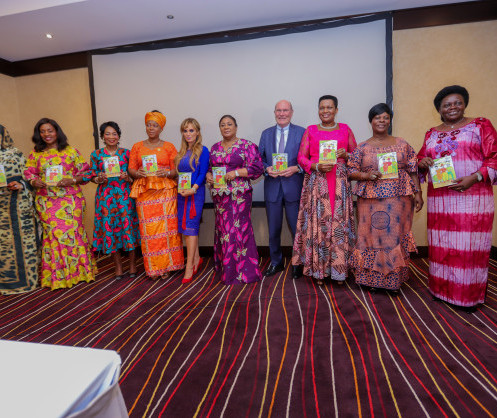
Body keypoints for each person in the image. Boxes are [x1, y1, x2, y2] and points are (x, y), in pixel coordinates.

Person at [418, 85, 497, 310]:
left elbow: (494, 157)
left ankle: (466, 297)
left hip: (472, 198)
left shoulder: (480, 125)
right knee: (441, 244)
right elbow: (421, 159)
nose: (452, 107)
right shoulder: (431, 133)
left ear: (464, 104)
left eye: (457, 103)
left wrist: (475, 177)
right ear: (439, 109)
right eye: (447, 105)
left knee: (467, 246)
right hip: (439, 201)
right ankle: (440, 291)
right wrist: (422, 162)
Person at [348, 103, 423, 293]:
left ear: (390, 120)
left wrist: (418, 193)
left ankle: (392, 281)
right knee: (370, 237)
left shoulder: (402, 144)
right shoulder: (362, 147)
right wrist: (366, 175)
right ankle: (370, 279)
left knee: (393, 237)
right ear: (371, 121)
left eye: (385, 117)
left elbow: (413, 169)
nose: (381, 121)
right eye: (377, 117)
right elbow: (350, 171)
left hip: (398, 199)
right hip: (370, 200)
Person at [291, 95, 357, 285]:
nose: (325, 111)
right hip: (318, 182)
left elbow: (357, 155)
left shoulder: (345, 129)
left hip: (339, 183)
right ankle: (319, 270)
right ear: (318, 110)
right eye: (322, 108)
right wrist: (316, 166)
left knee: (338, 224)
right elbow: (301, 157)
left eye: (329, 107)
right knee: (319, 224)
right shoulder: (311, 130)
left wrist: (347, 155)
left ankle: (339, 270)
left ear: (336, 110)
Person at [24, 118, 96, 290]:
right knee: (54, 236)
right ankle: (58, 277)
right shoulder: (35, 154)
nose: (46, 134)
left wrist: (72, 180)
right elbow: (29, 173)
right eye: (42, 131)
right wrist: (34, 182)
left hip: (71, 200)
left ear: (57, 132)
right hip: (46, 202)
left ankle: (80, 273)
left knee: (73, 234)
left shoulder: (71, 151)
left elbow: (87, 173)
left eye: (50, 130)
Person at [206, 115, 264, 285]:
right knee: (224, 231)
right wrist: (209, 175)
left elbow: (257, 168)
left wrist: (236, 173)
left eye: (229, 124)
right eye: (223, 125)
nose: (226, 127)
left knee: (237, 230)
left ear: (236, 127)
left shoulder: (247, 146)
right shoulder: (215, 147)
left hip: (239, 197)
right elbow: (210, 168)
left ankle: (243, 271)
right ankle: (227, 268)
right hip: (220, 197)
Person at [128, 110, 184, 279]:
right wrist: (137, 173)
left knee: (168, 230)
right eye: (149, 125)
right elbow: (131, 169)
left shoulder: (169, 147)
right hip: (145, 192)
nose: (151, 128)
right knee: (149, 231)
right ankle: (154, 268)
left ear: (161, 128)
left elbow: (176, 170)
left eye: (155, 125)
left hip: (165, 192)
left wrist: (166, 173)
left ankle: (168, 266)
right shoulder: (137, 146)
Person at [83, 121, 139, 280]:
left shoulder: (127, 153)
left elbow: (135, 177)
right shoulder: (96, 155)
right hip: (105, 197)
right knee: (110, 230)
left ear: (119, 136)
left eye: (114, 133)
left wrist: (127, 177)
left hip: (124, 196)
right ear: (102, 136)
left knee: (128, 228)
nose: (111, 137)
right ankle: (118, 266)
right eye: (107, 134)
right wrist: (98, 178)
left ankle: (133, 265)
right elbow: (91, 176)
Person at [259, 100, 305, 279]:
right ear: (274, 112)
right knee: (273, 228)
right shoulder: (266, 133)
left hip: (294, 186)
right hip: (273, 186)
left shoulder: (302, 132)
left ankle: (297, 263)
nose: (282, 113)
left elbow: (308, 157)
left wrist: (297, 168)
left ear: (291, 112)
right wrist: (266, 168)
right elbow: (259, 159)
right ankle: (276, 262)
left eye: (285, 110)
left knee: (297, 228)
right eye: (279, 110)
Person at [0, 124, 39, 294]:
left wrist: (21, 185)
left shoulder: (15, 154)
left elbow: (30, 177)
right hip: (1, 212)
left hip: (19, 207)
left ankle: (28, 282)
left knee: (23, 244)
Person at [175, 118, 209, 284]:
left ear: (197, 132)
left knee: (191, 228)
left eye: (191, 130)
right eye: (185, 130)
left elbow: (202, 173)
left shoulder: (203, 150)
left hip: (195, 194)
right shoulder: (181, 152)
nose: (188, 133)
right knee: (184, 228)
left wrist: (193, 189)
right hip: (182, 194)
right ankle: (196, 258)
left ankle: (189, 267)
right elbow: (180, 175)